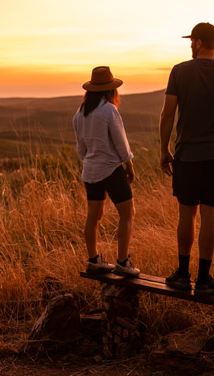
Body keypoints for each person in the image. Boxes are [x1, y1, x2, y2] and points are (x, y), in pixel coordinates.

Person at [159, 23, 214, 296]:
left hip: (187, 155)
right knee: (210, 216)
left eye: (191, 41)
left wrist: (164, 149)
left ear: (198, 42)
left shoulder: (180, 71)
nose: (189, 45)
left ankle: (183, 274)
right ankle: (205, 279)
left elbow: (167, 114)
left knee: (186, 214)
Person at [73, 66, 140, 277]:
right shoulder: (109, 110)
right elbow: (121, 143)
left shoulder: (80, 113)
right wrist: (129, 165)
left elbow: (80, 148)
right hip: (111, 168)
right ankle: (123, 262)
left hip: (90, 170)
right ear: (111, 90)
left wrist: (90, 160)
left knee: (93, 216)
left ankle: (94, 260)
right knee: (128, 214)